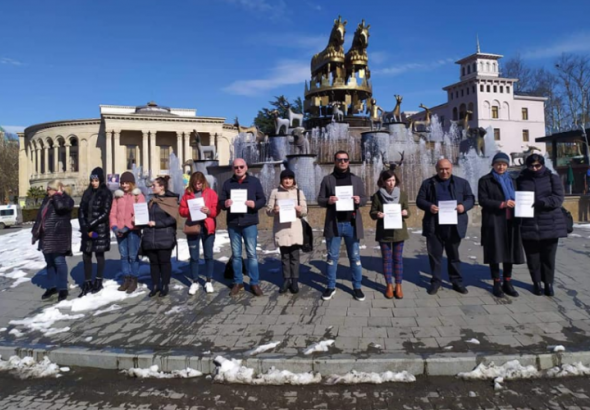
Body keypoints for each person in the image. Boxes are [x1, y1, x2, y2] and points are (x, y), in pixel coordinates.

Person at [416, 159, 475, 295]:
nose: (444, 172)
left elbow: (470, 199)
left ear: (451, 168)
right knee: (435, 256)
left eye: (447, 168)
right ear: (436, 169)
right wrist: (429, 206)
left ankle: (457, 281)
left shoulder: (462, 183)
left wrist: (463, 207)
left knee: (453, 255)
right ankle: (436, 282)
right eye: (441, 169)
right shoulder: (428, 183)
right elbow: (420, 200)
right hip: (434, 224)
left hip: (454, 225)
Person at [318, 150, 368, 301]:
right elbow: (320, 199)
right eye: (339, 159)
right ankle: (330, 286)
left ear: (349, 162)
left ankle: (357, 287)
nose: (342, 162)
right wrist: (328, 201)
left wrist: (360, 200)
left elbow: (365, 199)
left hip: (352, 224)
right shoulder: (328, 180)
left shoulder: (356, 180)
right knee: (332, 257)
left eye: (345, 159)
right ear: (335, 161)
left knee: (355, 257)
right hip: (335, 224)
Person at [516, 154, 567, 296]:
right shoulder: (521, 179)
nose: (534, 168)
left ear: (543, 165)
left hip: (550, 223)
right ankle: (536, 283)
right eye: (531, 165)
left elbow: (558, 198)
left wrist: (543, 202)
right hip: (529, 223)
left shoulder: (552, 178)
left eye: (537, 165)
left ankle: (548, 284)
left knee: (549, 257)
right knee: (533, 257)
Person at [477, 152, 524, 298]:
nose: (501, 167)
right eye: (498, 164)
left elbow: (521, 196)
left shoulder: (513, 180)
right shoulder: (485, 180)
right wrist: (502, 204)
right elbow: (483, 200)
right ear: (493, 165)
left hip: (511, 221)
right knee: (495, 253)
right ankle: (496, 283)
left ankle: (507, 282)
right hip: (494, 221)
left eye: (504, 164)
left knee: (509, 252)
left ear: (507, 166)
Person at [218, 158, 266, 297]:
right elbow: (221, 202)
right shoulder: (228, 183)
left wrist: (254, 204)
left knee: (252, 254)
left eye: (241, 166)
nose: (238, 169)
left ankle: (254, 283)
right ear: (233, 169)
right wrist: (225, 203)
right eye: (236, 167)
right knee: (237, 255)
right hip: (233, 224)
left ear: (246, 167)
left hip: (249, 222)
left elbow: (262, 199)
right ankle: (238, 282)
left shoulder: (254, 182)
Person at [369, 169, 410, 299]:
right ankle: (389, 285)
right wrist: (377, 214)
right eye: (388, 180)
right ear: (383, 182)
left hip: (399, 231)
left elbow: (407, 209)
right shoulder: (377, 195)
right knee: (387, 260)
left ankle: (399, 285)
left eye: (393, 180)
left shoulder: (402, 194)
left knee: (398, 259)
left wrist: (406, 212)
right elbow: (372, 212)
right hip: (384, 231)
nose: (391, 183)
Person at [266, 169, 308, 294]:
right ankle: (286, 279)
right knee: (284, 256)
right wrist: (274, 210)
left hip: (295, 228)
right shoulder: (275, 192)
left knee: (294, 256)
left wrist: (300, 209)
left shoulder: (299, 192)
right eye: (285, 178)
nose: (288, 180)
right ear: (281, 180)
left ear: (293, 179)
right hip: (281, 228)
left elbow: (306, 210)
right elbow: (268, 211)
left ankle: (295, 281)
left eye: (290, 178)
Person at [32, 180, 74, 302]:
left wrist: (57, 196)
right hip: (46, 236)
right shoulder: (47, 200)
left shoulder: (67, 200)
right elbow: (40, 217)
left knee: (59, 262)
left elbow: (61, 208)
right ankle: (52, 286)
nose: (47, 191)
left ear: (57, 189)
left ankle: (62, 288)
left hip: (58, 236)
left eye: (50, 188)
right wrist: (35, 232)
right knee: (49, 263)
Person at [179, 171, 219, 295]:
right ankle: (195, 281)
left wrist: (209, 211)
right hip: (193, 227)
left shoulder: (211, 193)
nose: (198, 186)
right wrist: (189, 211)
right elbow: (181, 210)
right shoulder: (187, 194)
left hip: (207, 227)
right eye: (196, 184)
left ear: (203, 182)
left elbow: (216, 210)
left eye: (200, 183)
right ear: (192, 183)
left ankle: (208, 280)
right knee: (194, 256)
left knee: (208, 255)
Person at [142, 176, 179, 298]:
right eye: (152, 185)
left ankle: (165, 285)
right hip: (151, 237)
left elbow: (172, 219)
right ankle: (155, 285)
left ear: (162, 187)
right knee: (153, 263)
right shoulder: (152, 201)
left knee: (164, 262)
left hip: (164, 236)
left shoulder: (170, 200)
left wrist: (157, 224)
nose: (152, 187)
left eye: (154, 185)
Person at [110, 171, 146, 294]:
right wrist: (114, 227)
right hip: (120, 231)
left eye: (127, 183)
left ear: (132, 183)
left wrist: (127, 227)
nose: (124, 185)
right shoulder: (117, 196)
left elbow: (139, 214)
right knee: (124, 255)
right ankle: (126, 279)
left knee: (133, 256)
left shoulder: (138, 196)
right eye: (122, 183)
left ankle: (134, 279)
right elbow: (113, 214)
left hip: (133, 231)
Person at [78, 167, 113, 297]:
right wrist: (83, 225)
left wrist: (91, 224)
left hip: (100, 229)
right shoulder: (87, 192)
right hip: (87, 229)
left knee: (99, 255)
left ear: (101, 180)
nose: (94, 183)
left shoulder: (106, 193)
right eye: (92, 180)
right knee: (86, 255)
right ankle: (87, 282)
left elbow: (105, 213)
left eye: (96, 180)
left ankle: (98, 280)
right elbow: (81, 209)